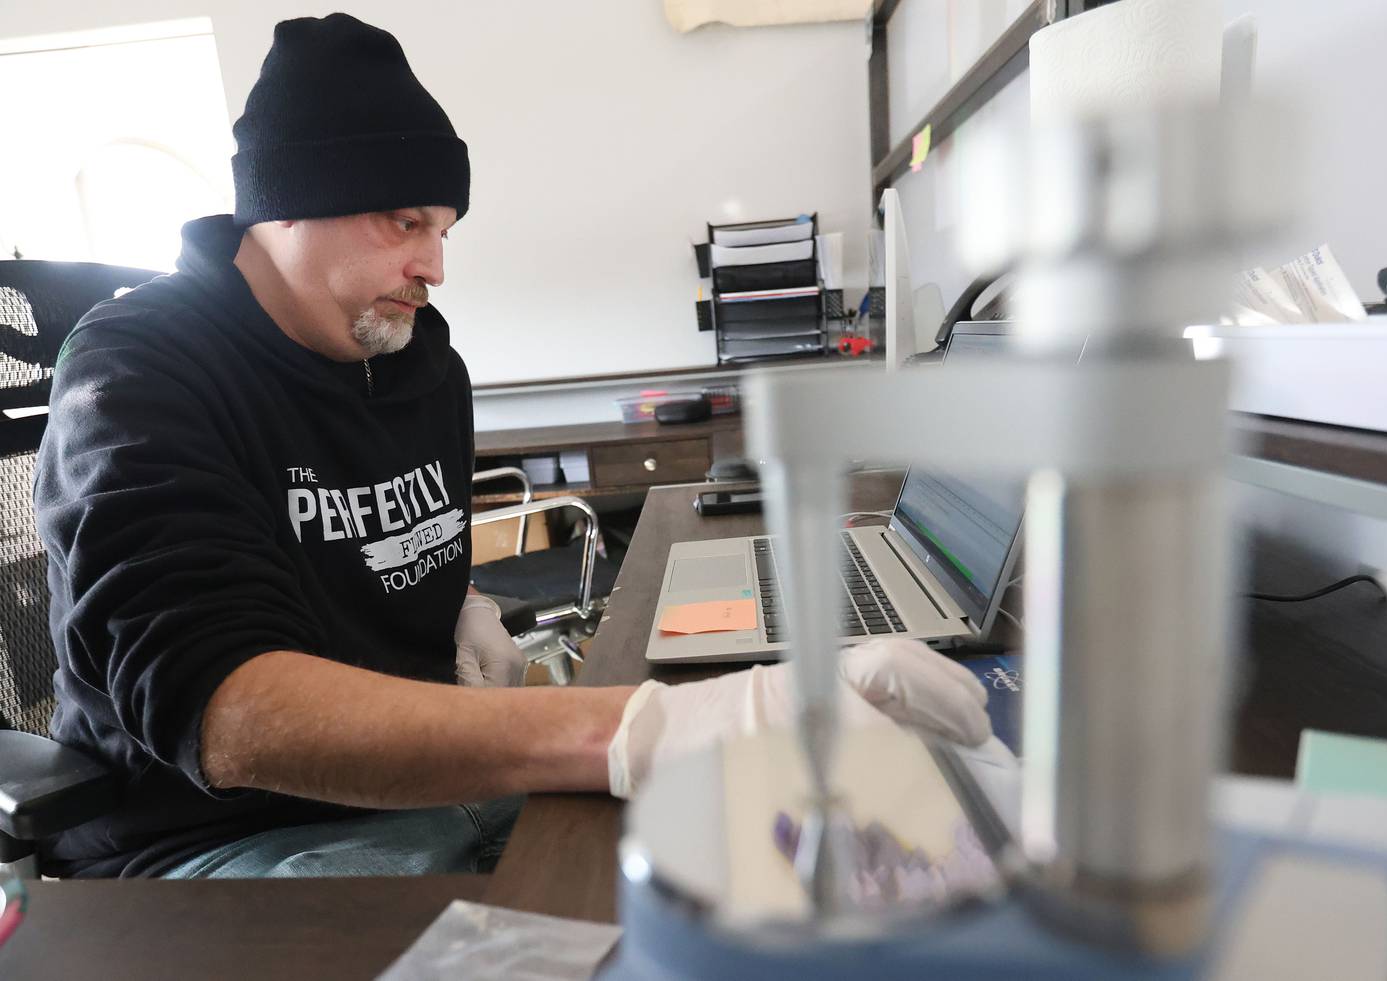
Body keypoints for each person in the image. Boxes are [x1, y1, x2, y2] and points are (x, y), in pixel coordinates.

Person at [33, 13, 992, 880]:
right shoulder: (137, 371)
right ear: (286, 203)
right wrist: (656, 724)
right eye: (405, 221)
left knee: (752, 845)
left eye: (444, 229)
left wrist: (463, 600)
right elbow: (229, 711)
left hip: (426, 784)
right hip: (222, 835)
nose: (434, 265)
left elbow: (375, 549)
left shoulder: (418, 360)